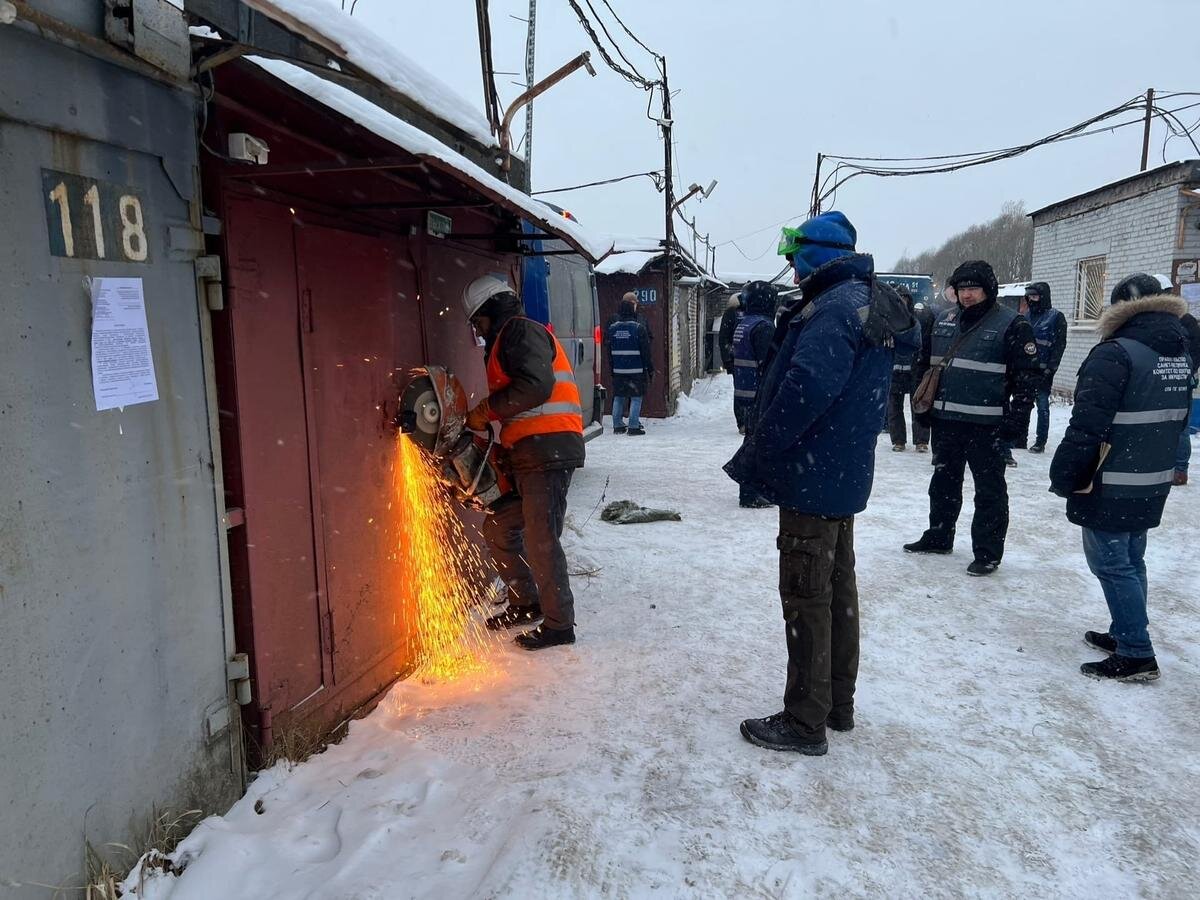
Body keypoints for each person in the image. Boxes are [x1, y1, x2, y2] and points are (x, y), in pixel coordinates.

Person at [724, 211, 919, 756]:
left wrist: (764, 446)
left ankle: (805, 721)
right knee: (836, 589)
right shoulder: (866, 300)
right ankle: (837, 704)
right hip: (840, 472)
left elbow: (806, 387)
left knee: (807, 597)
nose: (788, 263)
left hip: (814, 474)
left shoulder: (834, 309)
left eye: (794, 251)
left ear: (818, 253)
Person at [1049, 273, 1194, 682]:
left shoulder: (1115, 354)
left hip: (1110, 476)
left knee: (1112, 564)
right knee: (1131, 558)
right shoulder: (1177, 354)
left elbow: (1086, 426)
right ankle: (1125, 631)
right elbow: (1179, 419)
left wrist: (1066, 474)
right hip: (1152, 476)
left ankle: (1135, 652)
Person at [461, 275, 584, 650]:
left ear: (492, 310)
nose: (479, 331)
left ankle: (560, 625)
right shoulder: (506, 338)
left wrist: (487, 410)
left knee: (541, 538)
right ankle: (525, 602)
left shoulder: (520, 332)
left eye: (479, 322)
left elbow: (536, 386)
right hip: (528, 453)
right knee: (499, 528)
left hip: (549, 449)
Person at [903, 260, 1039, 576]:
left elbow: (1027, 379)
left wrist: (1017, 422)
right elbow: (922, 366)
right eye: (962, 289)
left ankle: (987, 552)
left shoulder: (1012, 325)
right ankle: (939, 535)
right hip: (947, 421)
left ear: (988, 290)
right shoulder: (942, 321)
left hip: (988, 425)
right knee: (943, 483)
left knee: (989, 491)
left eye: (974, 288)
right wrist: (922, 411)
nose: (967, 295)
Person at [729, 280, 779, 505]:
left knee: (752, 440)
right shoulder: (764, 327)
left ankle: (751, 489)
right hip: (758, 393)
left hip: (744, 390)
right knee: (757, 443)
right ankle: (750, 492)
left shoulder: (745, 323)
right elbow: (770, 364)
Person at [1021, 282, 1067, 453]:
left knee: (1042, 405)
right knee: (1023, 404)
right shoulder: (1027, 316)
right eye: (1029, 297)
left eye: (1035, 296)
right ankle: (1020, 437)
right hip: (1026, 369)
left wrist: (1051, 369)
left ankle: (1040, 440)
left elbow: (1059, 346)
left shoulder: (1055, 317)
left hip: (1043, 369)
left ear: (1043, 297)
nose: (1031, 300)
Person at [887, 285, 933, 452]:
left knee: (919, 406)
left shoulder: (917, 320)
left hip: (916, 370)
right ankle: (898, 441)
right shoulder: (886, 319)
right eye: (898, 298)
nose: (901, 302)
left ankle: (921, 441)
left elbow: (924, 343)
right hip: (894, 371)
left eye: (904, 298)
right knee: (894, 408)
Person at [606, 296, 653, 436]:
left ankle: (617, 425)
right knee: (636, 397)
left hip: (619, 369)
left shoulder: (612, 329)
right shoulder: (638, 328)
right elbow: (646, 351)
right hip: (636, 369)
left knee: (619, 396)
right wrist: (649, 368)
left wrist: (612, 368)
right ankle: (633, 426)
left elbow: (608, 350)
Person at [718, 293, 744, 376]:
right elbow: (723, 337)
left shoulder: (730, 313)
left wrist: (726, 359)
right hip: (738, 356)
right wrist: (727, 360)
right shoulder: (733, 313)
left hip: (734, 356)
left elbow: (723, 337)